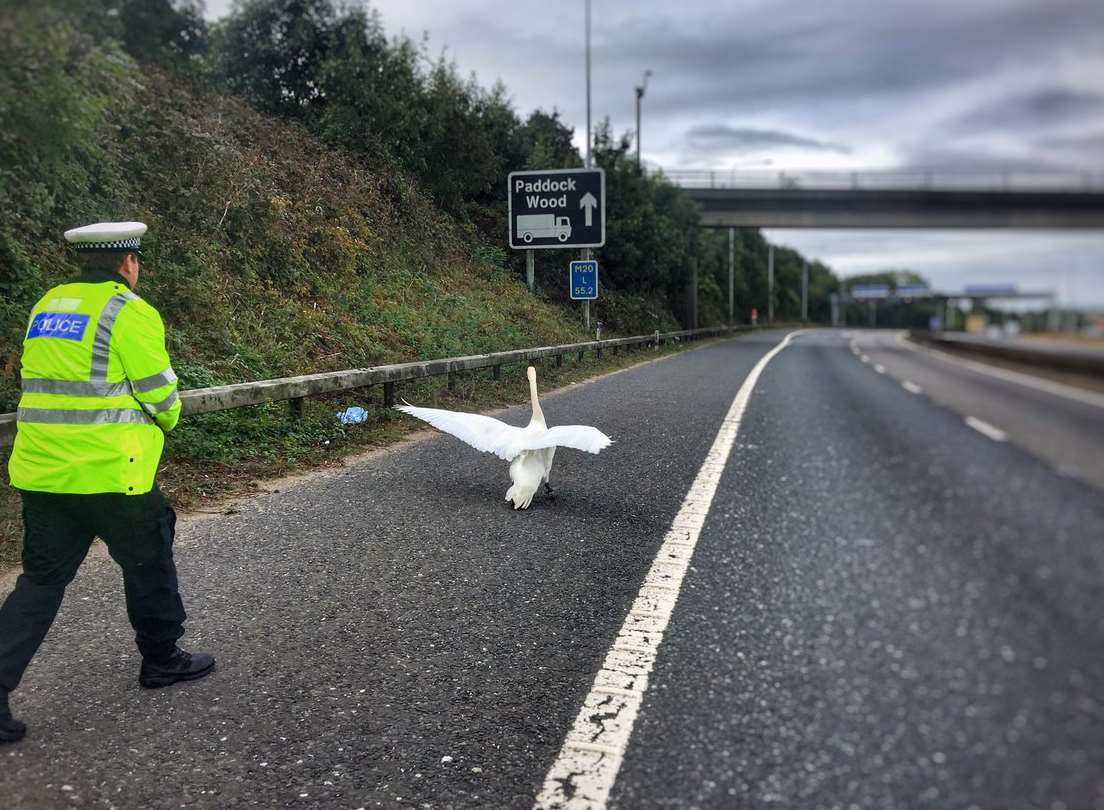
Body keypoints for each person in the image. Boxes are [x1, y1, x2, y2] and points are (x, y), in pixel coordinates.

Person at [0, 222, 214, 744]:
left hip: (45, 474)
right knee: (149, 562)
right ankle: (162, 660)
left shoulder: (47, 306)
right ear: (127, 264)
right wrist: (167, 420)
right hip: (116, 476)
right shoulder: (129, 311)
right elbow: (160, 394)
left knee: (42, 581)